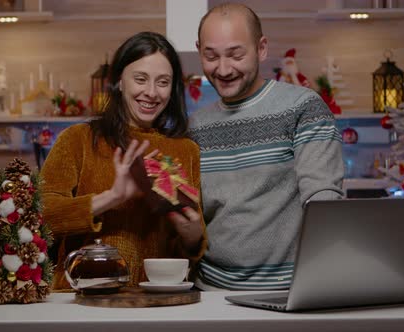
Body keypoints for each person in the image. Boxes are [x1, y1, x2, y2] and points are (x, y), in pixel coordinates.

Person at [189, 3, 344, 290]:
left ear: (261, 48)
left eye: (236, 54)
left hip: (287, 292)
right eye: (211, 56)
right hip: (210, 293)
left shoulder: (303, 107)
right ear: (200, 51)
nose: (222, 69)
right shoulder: (195, 127)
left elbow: (323, 199)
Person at [41, 31, 207, 290]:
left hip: (160, 303)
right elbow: (41, 216)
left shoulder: (185, 150)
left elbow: (192, 247)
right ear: (120, 81)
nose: (151, 93)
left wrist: (193, 234)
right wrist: (112, 197)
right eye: (140, 79)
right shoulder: (78, 140)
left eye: (163, 82)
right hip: (82, 300)